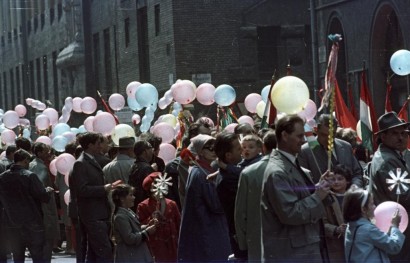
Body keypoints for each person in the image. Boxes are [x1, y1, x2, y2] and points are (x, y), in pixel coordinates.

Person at [261, 114, 332, 262]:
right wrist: (317, 196)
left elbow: (298, 195)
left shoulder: (289, 162)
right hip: (293, 252)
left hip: (302, 247)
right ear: (285, 135)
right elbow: (290, 213)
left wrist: (317, 187)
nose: (304, 140)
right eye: (299, 136)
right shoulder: (278, 172)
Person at [178, 134, 231, 262]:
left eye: (216, 147)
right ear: (200, 151)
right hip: (208, 229)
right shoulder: (201, 174)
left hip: (207, 228)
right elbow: (216, 205)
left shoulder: (203, 169)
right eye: (210, 148)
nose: (214, 151)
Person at [369, 111, 410, 261]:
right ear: (383, 137)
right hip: (397, 227)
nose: (401, 137)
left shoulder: (392, 156)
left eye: (403, 133)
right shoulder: (388, 161)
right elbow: (404, 196)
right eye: (394, 133)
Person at [0, 149, 54, 263]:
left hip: (12, 221)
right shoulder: (30, 176)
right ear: (25, 161)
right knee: (37, 254)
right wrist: (47, 191)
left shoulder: (2, 177)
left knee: (17, 255)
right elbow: (41, 195)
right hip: (32, 221)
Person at [216, 133, 262, 260]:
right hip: (244, 238)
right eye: (239, 148)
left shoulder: (232, 172)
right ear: (228, 156)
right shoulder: (230, 179)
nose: (243, 150)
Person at [70, 132, 114, 262]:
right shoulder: (81, 163)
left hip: (98, 213)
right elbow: (82, 190)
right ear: (90, 145)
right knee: (104, 251)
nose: (100, 146)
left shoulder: (91, 159)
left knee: (94, 253)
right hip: (92, 214)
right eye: (98, 143)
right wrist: (103, 189)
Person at [235, 130, 276, 261]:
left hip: (259, 238)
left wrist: (242, 243)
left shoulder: (248, 173)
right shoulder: (246, 171)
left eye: (251, 147)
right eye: (244, 147)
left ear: (262, 148)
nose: (246, 150)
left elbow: (240, 212)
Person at [298, 113, 363, 187]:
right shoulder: (305, 151)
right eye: (324, 135)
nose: (328, 139)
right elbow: (303, 183)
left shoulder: (346, 147)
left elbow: (357, 173)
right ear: (316, 130)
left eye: (331, 135)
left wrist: (355, 187)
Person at [343, 188, 404, 262]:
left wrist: (389, 230)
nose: (375, 207)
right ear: (364, 209)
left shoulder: (351, 226)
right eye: (372, 204)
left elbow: (379, 242)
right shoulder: (368, 229)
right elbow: (394, 246)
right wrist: (395, 225)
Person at [137, 172, 181, 262]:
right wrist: (151, 219)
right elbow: (139, 225)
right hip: (156, 242)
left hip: (172, 242)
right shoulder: (143, 206)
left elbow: (179, 224)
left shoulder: (172, 204)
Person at [29, 142, 61, 261]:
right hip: (44, 209)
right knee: (47, 240)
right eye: (45, 151)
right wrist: (47, 190)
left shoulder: (35, 164)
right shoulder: (39, 166)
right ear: (39, 153)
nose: (49, 153)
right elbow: (40, 188)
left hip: (41, 209)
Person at [111, 184, 156, 263]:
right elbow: (130, 238)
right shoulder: (120, 217)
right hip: (129, 256)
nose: (134, 198)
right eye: (131, 195)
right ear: (122, 199)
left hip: (137, 254)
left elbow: (135, 229)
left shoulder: (128, 211)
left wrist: (147, 226)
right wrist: (147, 232)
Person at [323, 164, 352, 262]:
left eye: (340, 179)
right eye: (333, 179)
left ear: (347, 181)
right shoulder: (326, 198)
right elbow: (322, 222)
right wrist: (336, 229)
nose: (336, 182)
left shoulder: (354, 197)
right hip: (335, 243)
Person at [129, 140, 155, 209]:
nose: (153, 151)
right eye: (151, 148)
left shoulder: (134, 166)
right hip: (145, 206)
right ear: (145, 151)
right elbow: (151, 190)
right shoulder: (146, 168)